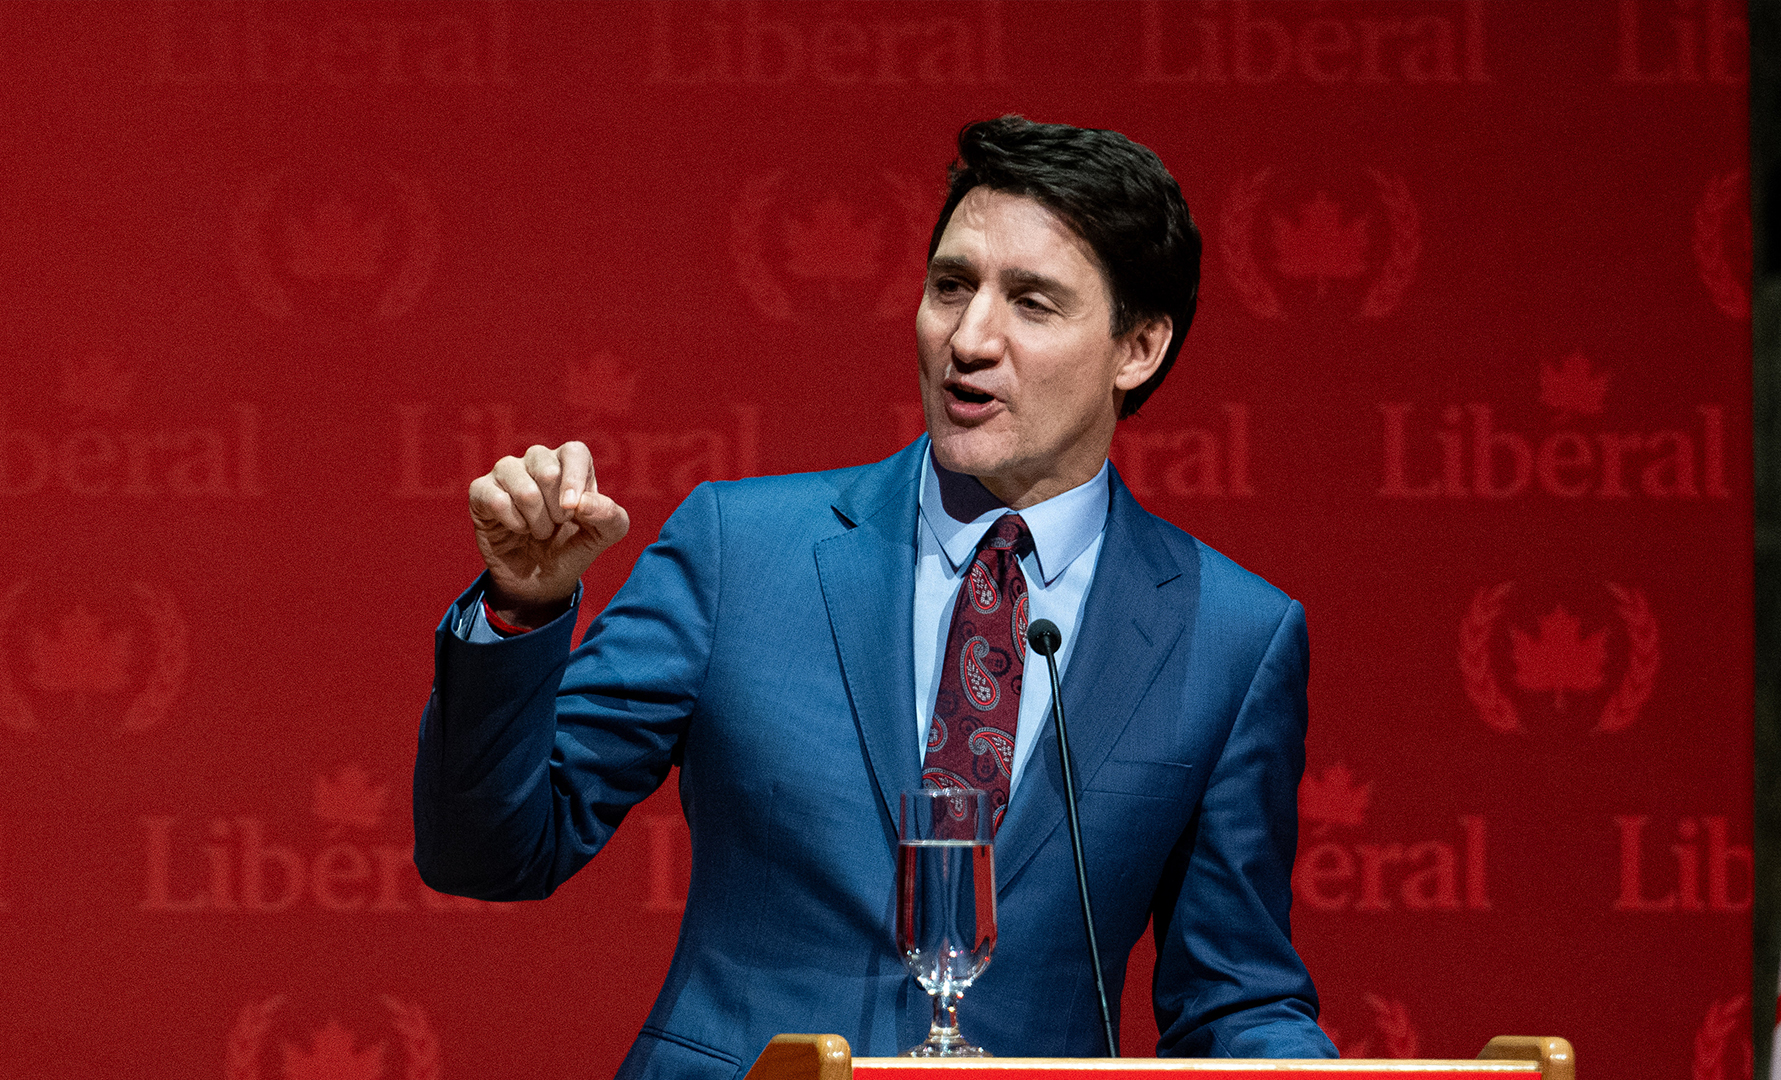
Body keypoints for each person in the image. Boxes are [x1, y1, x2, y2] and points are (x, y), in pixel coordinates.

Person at [414, 116, 1336, 1079]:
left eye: (1032, 303)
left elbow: (1235, 993)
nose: (970, 339)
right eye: (951, 286)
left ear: (1137, 348)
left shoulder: (1232, 634)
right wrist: (521, 610)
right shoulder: (743, 550)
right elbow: (492, 851)